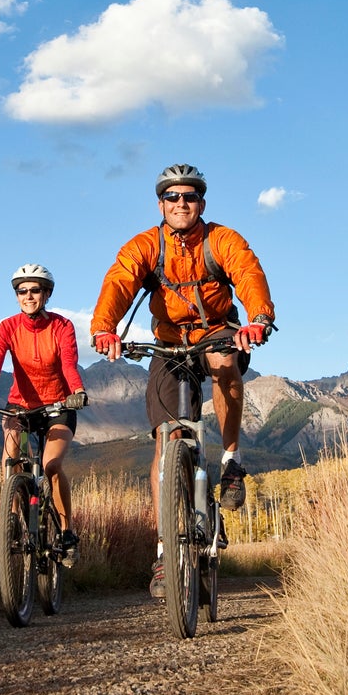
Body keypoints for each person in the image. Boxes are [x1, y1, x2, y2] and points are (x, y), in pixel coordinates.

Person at [89, 163, 275, 598]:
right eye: (172, 197)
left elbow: (248, 273)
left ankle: (230, 462)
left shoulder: (222, 240)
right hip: (170, 342)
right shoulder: (146, 245)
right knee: (165, 442)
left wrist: (259, 319)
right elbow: (119, 280)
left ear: (202, 203)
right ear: (161, 204)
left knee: (224, 363)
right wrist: (104, 327)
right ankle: (164, 552)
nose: (181, 203)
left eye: (189, 196)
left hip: (217, 331)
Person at [0, 265, 87, 557]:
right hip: (21, 405)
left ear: (47, 293)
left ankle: (66, 533)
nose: (28, 296)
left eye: (35, 290)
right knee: (11, 458)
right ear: (16, 296)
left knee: (52, 465)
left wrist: (77, 392)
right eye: (22, 291)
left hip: (59, 404)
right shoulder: (8, 327)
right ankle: (13, 521)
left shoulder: (62, 326)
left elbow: (68, 363)